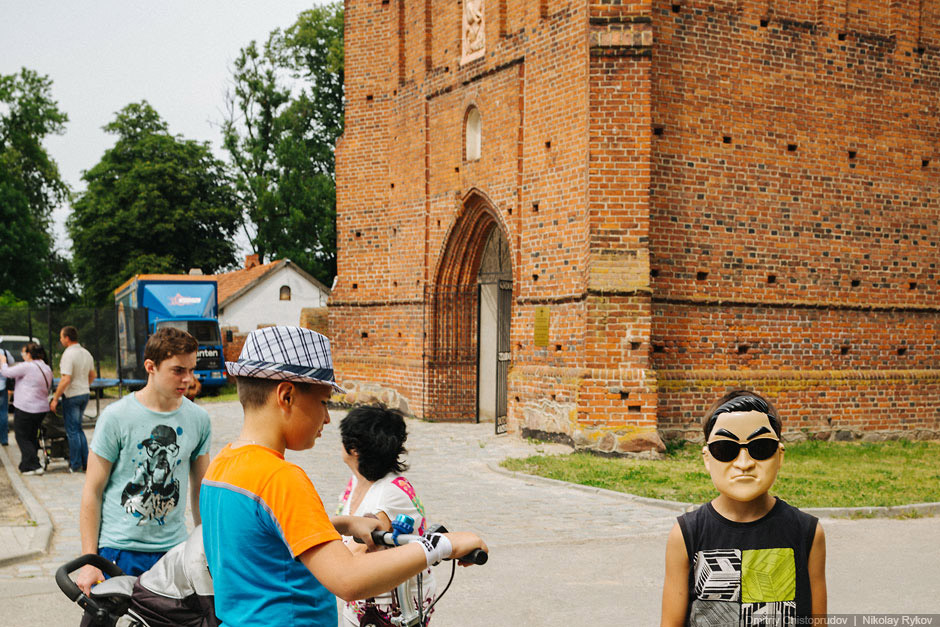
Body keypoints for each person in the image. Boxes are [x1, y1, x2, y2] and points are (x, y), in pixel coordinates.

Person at [200, 326, 487, 627]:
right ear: (286, 396)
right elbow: (348, 579)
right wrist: (443, 544)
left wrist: (344, 523)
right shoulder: (280, 478)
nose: (326, 418)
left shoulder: (222, 465)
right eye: (324, 402)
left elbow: (261, 535)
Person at [660, 390, 827, 627]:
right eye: (725, 449)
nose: (744, 463)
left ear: (779, 455)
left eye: (760, 447)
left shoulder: (807, 533)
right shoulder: (687, 534)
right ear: (707, 458)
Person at [76, 327, 211, 595]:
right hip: (119, 550)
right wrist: (90, 561)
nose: (188, 379)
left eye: (191, 370)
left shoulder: (199, 419)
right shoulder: (117, 417)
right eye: (178, 370)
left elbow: (201, 491)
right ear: (150, 366)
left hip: (173, 551)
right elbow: (92, 492)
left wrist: (207, 549)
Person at [337, 406, 436, 626]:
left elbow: (352, 556)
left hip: (387, 611)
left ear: (354, 449)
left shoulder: (388, 494)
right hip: (361, 602)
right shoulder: (357, 481)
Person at [0, 343, 53, 475]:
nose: (23, 356)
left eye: (24, 353)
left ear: (29, 354)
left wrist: (3, 362)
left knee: (21, 436)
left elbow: (6, 373)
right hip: (41, 408)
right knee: (31, 436)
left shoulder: (27, 366)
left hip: (26, 407)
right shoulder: (46, 367)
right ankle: (26, 465)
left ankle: (34, 465)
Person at [50, 326, 96, 473]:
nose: (60, 339)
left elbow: (65, 379)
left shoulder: (68, 355)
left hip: (72, 395)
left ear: (67, 338)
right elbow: (92, 375)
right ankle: (86, 462)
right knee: (79, 429)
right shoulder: (86, 353)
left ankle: (75, 464)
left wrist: (55, 398)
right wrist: (84, 385)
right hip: (84, 393)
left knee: (72, 431)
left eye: (61, 337)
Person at [0, 345, 15, 446]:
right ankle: (4, 439)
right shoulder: (4, 352)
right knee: (3, 413)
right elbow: (12, 363)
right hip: (2, 386)